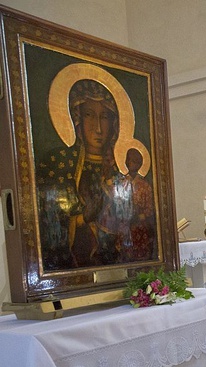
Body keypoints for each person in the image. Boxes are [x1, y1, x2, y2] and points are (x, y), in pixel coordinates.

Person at [36, 79, 121, 269]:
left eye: (105, 117)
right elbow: (48, 221)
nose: (98, 128)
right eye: (90, 115)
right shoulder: (59, 163)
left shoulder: (119, 170)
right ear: (77, 119)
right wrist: (83, 218)